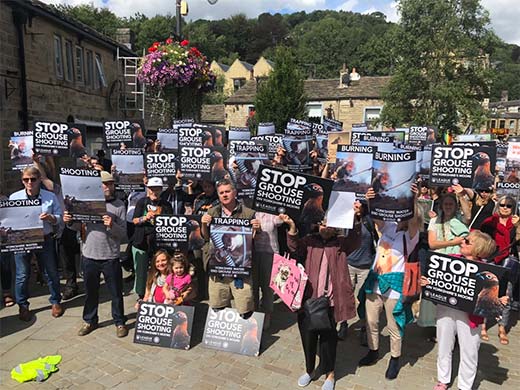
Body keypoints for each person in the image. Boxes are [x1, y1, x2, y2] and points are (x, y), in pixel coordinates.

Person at [281, 212, 361, 390]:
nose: (326, 228)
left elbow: (355, 240)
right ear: (318, 224)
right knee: (308, 338)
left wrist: (356, 219)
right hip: (308, 300)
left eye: (330, 225)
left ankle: (330, 374)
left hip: (330, 303)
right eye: (323, 224)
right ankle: (309, 370)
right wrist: (292, 228)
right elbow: (294, 247)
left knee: (328, 340)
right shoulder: (310, 241)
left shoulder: (341, 243)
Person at [422, 230, 508, 390]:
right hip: (446, 309)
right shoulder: (451, 259)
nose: (462, 241)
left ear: (479, 249)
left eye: (467, 241)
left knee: (470, 351)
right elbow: (436, 278)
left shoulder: (488, 269)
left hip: (471, 317)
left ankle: (465, 386)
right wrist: (427, 281)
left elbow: (493, 296)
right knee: (443, 345)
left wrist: (500, 300)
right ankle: (443, 379)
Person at [357, 184, 422, 380]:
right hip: (374, 282)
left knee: (394, 326)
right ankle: (373, 350)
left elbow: (412, 221)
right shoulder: (389, 228)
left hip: (394, 285)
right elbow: (377, 218)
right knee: (371, 321)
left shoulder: (411, 235)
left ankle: (394, 359)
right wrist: (371, 199)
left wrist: (414, 199)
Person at [65, 171, 128, 337]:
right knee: (90, 292)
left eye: (109, 184)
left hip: (110, 256)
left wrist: (111, 225)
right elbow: (78, 227)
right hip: (89, 255)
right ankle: (90, 320)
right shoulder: (86, 203)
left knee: (116, 293)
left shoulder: (119, 205)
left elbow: (123, 234)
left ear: (113, 185)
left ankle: (120, 322)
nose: (106, 187)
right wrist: (70, 221)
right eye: (103, 184)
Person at [10, 167, 63, 321]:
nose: (29, 182)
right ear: (22, 181)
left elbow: (59, 217)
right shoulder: (14, 198)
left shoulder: (50, 197)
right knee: (22, 274)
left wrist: (51, 218)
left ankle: (55, 301)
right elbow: (7, 220)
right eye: (26, 179)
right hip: (22, 241)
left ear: (39, 179)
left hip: (45, 238)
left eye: (33, 179)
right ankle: (23, 305)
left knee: (51, 272)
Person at [201, 179, 261, 317]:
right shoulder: (212, 212)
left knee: (245, 307)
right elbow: (205, 237)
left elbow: (252, 240)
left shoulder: (248, 213)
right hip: (218, 269)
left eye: (227, 191)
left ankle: (246, 336)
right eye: (221, 193)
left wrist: (256, 228)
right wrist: (204, 224)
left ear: (234, 192)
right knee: (218, 306)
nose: (225, 195)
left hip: (241, 269)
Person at [479, 195, 520, 345]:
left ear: (513, 207)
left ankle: (502, 327)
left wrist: (517, 227)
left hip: (509, 261)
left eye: (509, 206)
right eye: (502, 204)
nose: (505, 208)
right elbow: (482, 235)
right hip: (491, 258)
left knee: (507, 294)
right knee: (487, 292)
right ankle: (482, 324)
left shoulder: (515, 222)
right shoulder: (491, 221)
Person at [337, 199, 378, 342]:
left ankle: (364, 328)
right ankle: (343, 324)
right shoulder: (346, 220)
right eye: (354, 202)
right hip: (348, 264)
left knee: (364, 299)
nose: (356, 205)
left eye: (359, 203)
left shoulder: (369, 221)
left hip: (366, 266)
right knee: (345, 296)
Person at [132, 177, 173, 302]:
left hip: (159, 243)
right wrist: (144, 218)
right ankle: (141, 296)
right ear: (148, 189)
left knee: (160, 269)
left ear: (161, 190)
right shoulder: (141, 202)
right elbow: (134, 220)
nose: (154, 192)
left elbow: (171, 223)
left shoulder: (166, 204)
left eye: (157, 189)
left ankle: (158, 294)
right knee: (141, 272)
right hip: (141, 242)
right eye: (152, 189)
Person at [252, 212, 283, 329]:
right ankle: (253, 313)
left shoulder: (272, 213)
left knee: (267, 287)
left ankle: (267, 314)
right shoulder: (251, 213)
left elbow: (279, 221)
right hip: (252, 253)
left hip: (269, 254)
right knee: (252, 286)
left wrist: (282, 215)